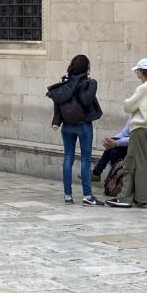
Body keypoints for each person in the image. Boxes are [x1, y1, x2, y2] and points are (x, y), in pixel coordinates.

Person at [105, 59, 147, 208]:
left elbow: (128, 106)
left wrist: (126, 101)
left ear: (141, 71)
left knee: (133, 164)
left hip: (140, 129)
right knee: (137, 163)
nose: (136, 73)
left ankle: (131, 198)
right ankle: (136, 197)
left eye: (137, 70)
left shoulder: (143, 88)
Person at [49, 53, 103, 205]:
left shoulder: (64, 82)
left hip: (67, 126)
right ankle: (87, 196)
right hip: (83, 125)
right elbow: (86, 100)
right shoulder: (89, 82)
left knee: (68, 158)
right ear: (87, 67)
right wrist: (91, 83)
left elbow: (58, 103)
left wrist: (56, 121)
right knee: (85, 159)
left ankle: (67, 195)